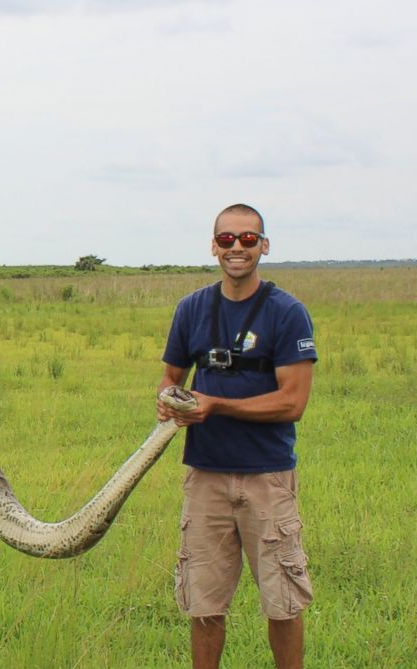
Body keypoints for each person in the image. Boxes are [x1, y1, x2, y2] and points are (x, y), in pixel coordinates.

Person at [157, 204, 317, 669]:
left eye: (248, 239)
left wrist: (216, 404)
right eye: (227, 239)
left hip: (267, 477)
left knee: (283, 601)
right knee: (204, 604)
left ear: (264, 246)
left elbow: (293, 402)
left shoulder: (287, 312)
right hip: (205, 476)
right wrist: (169, 400)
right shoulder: (191, 309)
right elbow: (170, 378)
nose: (236, 248)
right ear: (213, 246)